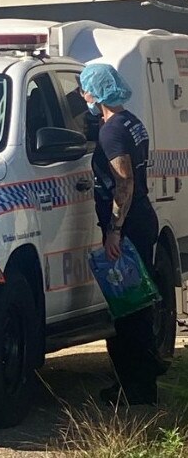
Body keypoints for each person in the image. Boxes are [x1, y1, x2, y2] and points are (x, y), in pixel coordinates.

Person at [79, 63, 161, 405]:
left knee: (128, 311)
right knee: (138, 306)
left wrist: (114, 231)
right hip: (143, 218)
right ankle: (139, 382)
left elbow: (124, 181)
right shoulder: (132, 121)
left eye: (85, 89)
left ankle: (135, 390)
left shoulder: (111, 131)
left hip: (128, 225)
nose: (83, 95)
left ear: (96, 93)